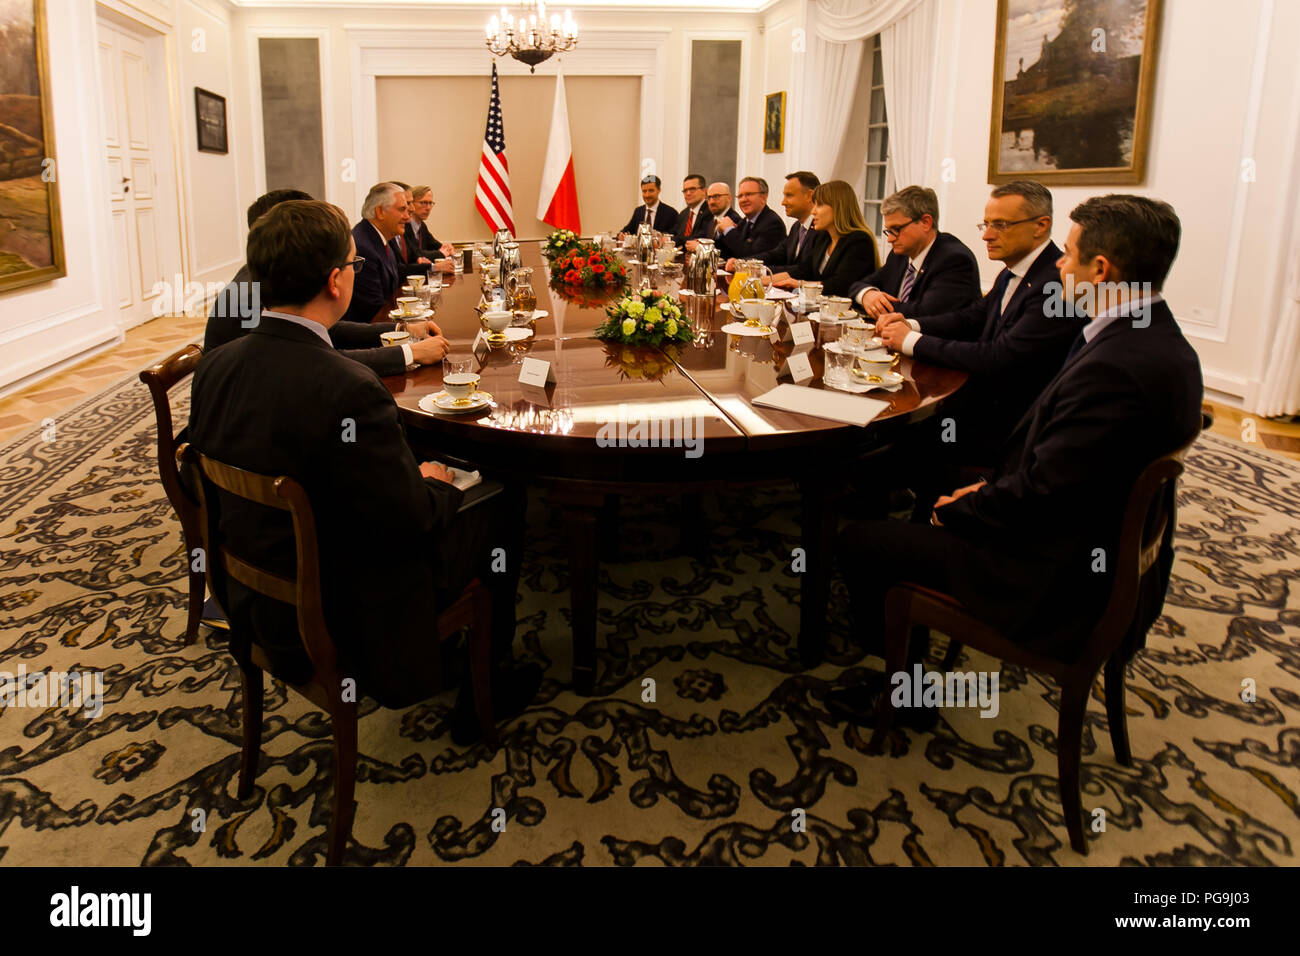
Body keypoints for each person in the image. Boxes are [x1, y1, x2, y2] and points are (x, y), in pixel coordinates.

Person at [828, 195, 1203, 728]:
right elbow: (1068, 472)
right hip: (1080, 538)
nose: (1059, 265)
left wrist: (965, 506)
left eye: (1068, 255)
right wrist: (980, 490)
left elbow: (1045, 495)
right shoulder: (1153, 338)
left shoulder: (1118, 368)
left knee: (861, 541)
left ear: (1101, 270)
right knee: (929, 481)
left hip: (1055, 579)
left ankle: (904, 694)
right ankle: (901, 655)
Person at [188, 199, 541, 744]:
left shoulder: (215, 366)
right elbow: (410, 520)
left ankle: (459, 659)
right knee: (505, 496)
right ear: (335, 282)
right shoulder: (347, 388)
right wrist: (436, 483)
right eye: (353, 266)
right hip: (343, 609)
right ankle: (484, 691)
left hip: (247, 597)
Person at [875, 180, 1081, 472]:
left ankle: (924, 509)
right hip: (980, 404)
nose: (986, 235)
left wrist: (910, 341)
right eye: (985, 224)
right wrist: (911, 324)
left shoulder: (1057, 284)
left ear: (1040, 225)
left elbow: (999, 357)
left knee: (897, 436)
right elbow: (972, 317)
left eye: (1001, 225)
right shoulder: (1013, 271)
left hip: (1009, 425)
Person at [204, 188, 449, 376]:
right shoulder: (251, 295)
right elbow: (313, 362)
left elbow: (327, 331)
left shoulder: (270, 276)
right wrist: (408, 353)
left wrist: (400, 330)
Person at [848, 186, 980, 319]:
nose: (890, 239)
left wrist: (876, 304)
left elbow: (923, 312)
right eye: (888, 230)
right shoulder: (898, 256)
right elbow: (858, 285)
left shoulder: (954, 259)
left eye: (896, 229)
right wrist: (867, 294)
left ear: (925, 223)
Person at [769, 180, 879, 297]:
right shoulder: (823, 238)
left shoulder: (859, 241)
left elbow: (841, 285)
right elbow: (802, 270)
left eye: (819, 205)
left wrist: (802, 284)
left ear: (838, 207)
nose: (813, 211)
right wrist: (763, 279)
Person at [732, 170, 827, 275]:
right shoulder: (797, 227)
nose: (783, 202)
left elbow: (806, 269)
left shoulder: (822, 228)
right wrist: (744, 263)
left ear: (810, 196)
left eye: (789, 195)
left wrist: (759, 271)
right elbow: (777, 254)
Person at [340, 182, 408, 325]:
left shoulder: (380, 237)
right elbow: (375, 311)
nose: (407, 217)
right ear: (380, 212)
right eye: (402, 209)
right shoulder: (363, 246)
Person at [714, 176, 785, 260]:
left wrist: (728, 230)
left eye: (748, 194)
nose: (743, 200)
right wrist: (720, 231)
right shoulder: (745, 222)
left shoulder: (773, 223)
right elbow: (725, 253)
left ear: (763, 197)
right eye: (740, 196)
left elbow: (751, 256)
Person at [402, 185, 456, 274]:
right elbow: (415, 254)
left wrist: (447, 248)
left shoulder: (422, 226)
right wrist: (441, 253)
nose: (428, 208)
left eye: (430, 203)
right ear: (411, 203)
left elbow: (435, 245)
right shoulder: (404, 226)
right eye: (423, 203)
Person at [686, 183, 738, 252]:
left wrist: (700, 248)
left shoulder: (735, 220)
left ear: (729, 198)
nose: (711, 202)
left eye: (716, 196)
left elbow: (728, 252)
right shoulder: (711, 219)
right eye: (709, 197)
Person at [672, 173, 712, 247]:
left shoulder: (710, 211)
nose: (688, 193)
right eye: (685, 190)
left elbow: (701, 238)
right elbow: (677, 236)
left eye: (692, 189)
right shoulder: (683, 214)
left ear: (704, 191)